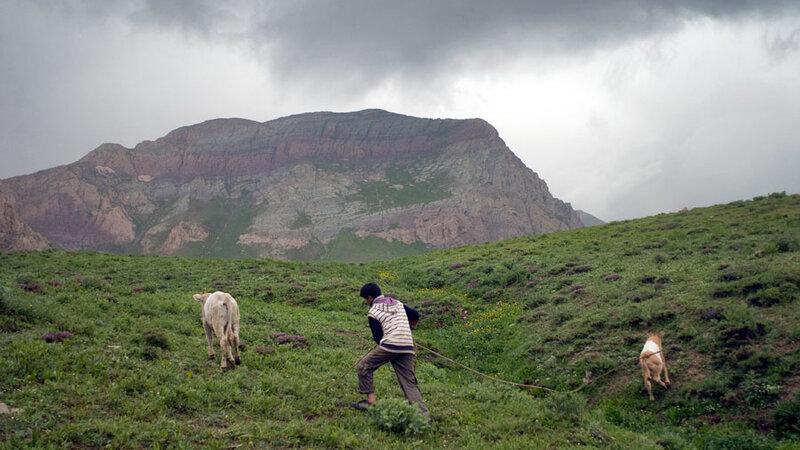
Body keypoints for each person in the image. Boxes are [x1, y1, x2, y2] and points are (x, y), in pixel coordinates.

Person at [351, 283, 429, 419]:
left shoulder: (373, 312)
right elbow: (415, 314)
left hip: (391, 345)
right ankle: (422, 416)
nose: (366, 302)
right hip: (407, 345)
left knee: (364, 366)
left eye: (365, 299)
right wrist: (407, 329)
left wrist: (386, 340)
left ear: (370, 298)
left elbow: (378, 337)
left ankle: (371, 402)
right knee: (408, 381)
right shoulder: (397, 303)